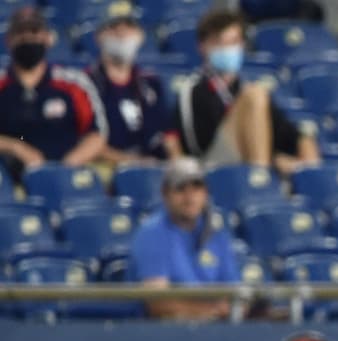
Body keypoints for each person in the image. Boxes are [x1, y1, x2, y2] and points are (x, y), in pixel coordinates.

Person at [170, 8, 319, 176]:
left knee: (306, 140)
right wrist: (273, 159)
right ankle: (260, 177)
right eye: (220, 42)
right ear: (203, 47)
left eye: (234, 41)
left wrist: (304, 155)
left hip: (248, 160)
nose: (228, 49)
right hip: (211, 167)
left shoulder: (245, 89)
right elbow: (196, 145)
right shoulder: (193, 90)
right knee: (255, 95)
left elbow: (290, 135)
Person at [0, 6, 107, 179]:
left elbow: (97, 134)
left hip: (66, 175)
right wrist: (15, 147)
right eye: (21, 33)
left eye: (35, 32)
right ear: (9, 40)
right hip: (8, 181)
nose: (28, 38)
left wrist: (66, 167)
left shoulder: (74, 83)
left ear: (48, 38)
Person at [129, 156, 240, 321]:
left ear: (205, 192)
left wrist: (222, 309)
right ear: (165, 194)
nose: (190, 197)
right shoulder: (152, 233)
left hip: (214, 329)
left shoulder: (216, 232)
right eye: (180, 189)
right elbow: (158, 304)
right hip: (165, 334)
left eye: (196, 187)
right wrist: (210, 311)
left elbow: (232, 291)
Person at [87, 1, 172, 165]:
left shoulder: (151, 84)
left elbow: (168, 135)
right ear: (98, 36)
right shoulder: (85, 84)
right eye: (113, 27)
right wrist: (132, 162)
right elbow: (82, 142)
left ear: (141, 36)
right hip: (104, 168)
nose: (122, 33)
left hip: (152, 170)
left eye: (129, 26)